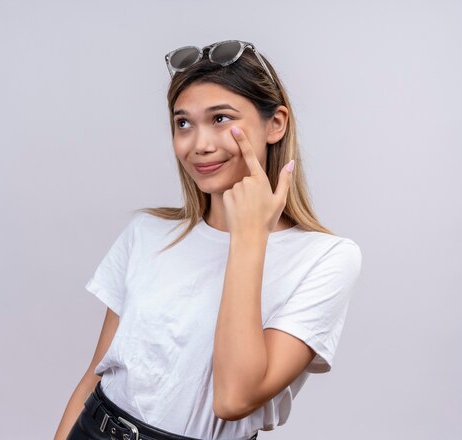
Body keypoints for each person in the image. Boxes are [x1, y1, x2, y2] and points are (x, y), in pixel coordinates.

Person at [55, 40, 363, 440]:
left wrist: (249, 236)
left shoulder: (327, 259)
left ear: (276, 124)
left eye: (220, 119)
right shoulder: (147, 233)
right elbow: (92, 377)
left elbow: (234, 398)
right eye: (183, 123)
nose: (198, 144)